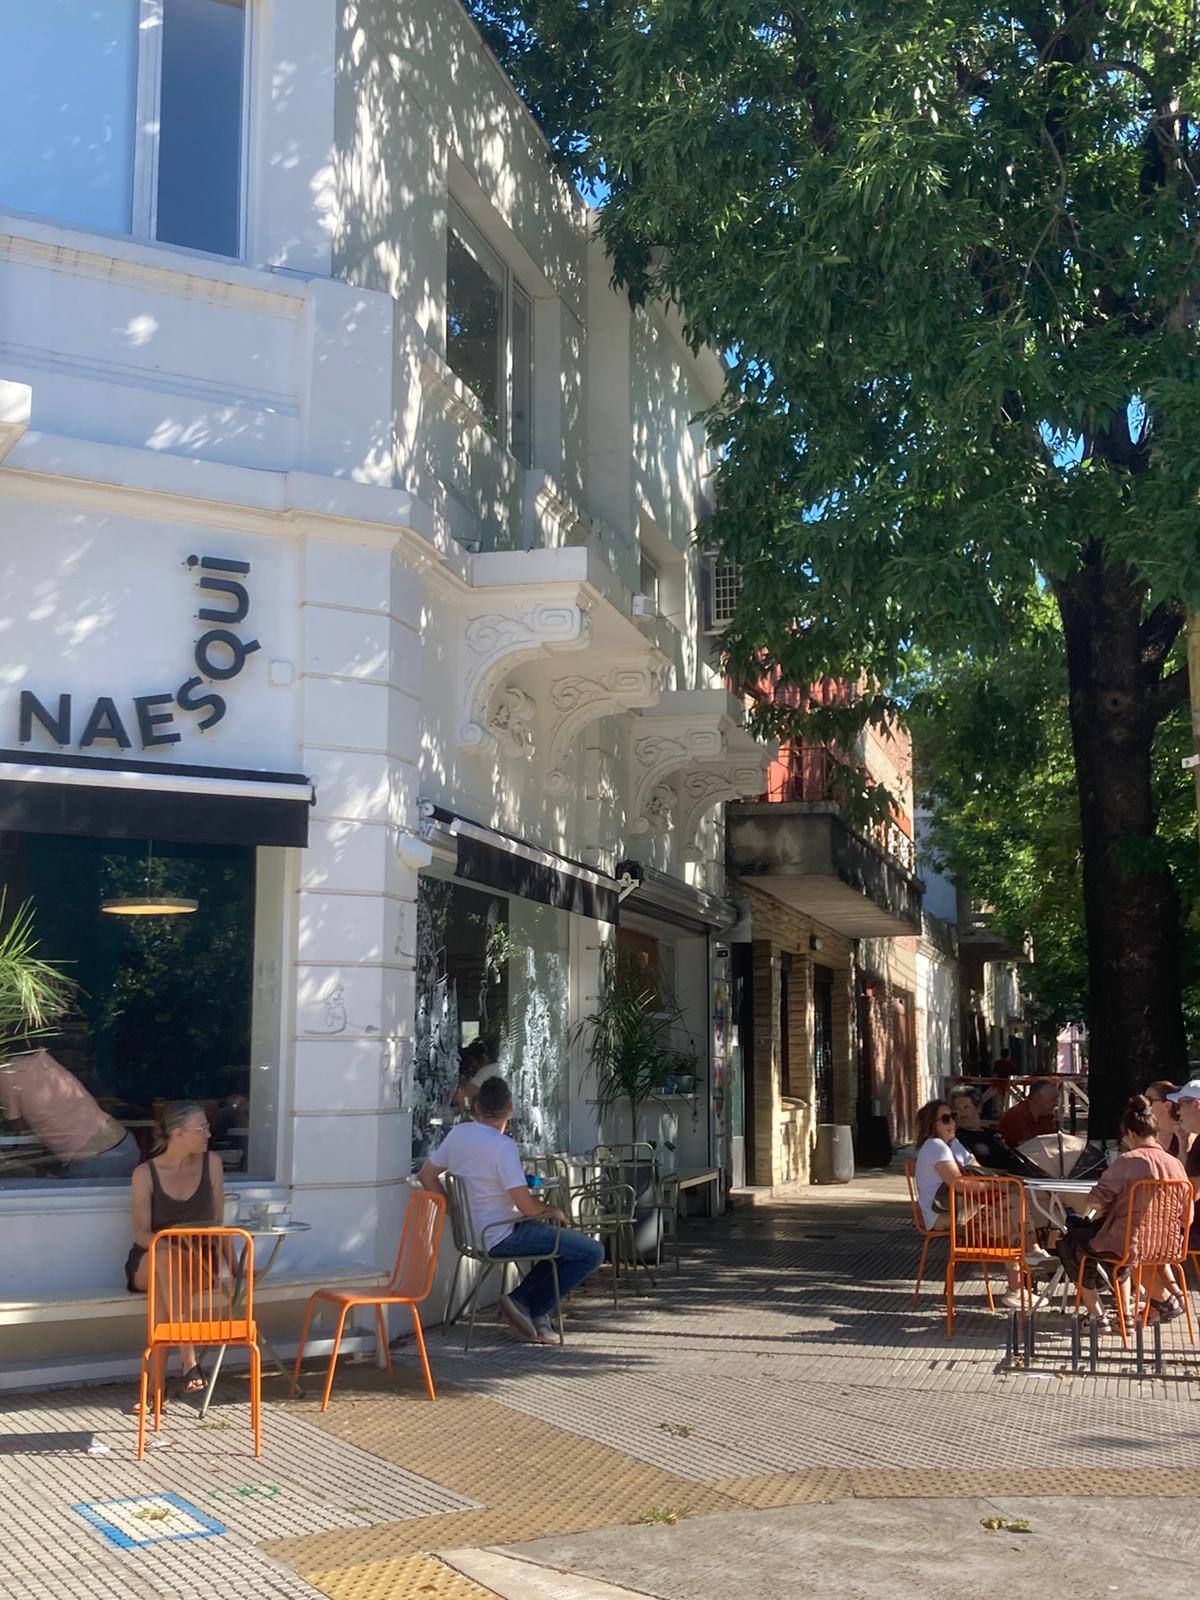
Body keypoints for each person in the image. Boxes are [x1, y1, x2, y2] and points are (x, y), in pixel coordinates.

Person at [418, 1075, 603, 1344]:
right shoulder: (502, 1146)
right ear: (510, 1109)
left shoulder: (459, 1134)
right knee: (591, 1252)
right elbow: (527, 1207)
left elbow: (426, 1175)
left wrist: (453, 1209)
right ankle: (524, 1302)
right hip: (501, 1235)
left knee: (561, 1246)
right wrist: (554, 1211)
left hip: (470, 1234)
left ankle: (532, 1310)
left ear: (477, 1107)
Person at [1059, 1094, 1189, 1333]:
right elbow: (1186, 1216)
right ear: (1155, 1132)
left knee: (1071, 1247)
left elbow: (1095, 1202)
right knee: (1120, 1252)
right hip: (1165, 1246)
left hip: (1126, 1243)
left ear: (1130, 1133)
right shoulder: (1175, 1165)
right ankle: (1128, 1315)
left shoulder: (1127, 1161)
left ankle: (1097, 1316)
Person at [126, 1101, 225, 1393]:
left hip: (199, 1259)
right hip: (152, 1256)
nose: (208, 1134)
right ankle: (188, 1360)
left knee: (164, 1283)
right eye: (201, 1128)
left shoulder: (212, 1164)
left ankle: (154, 1389)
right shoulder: (145, 1173)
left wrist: (234, 1268)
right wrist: (170, 1248)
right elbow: (141, 1233)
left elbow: (218, 1223)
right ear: (178, 1133)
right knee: (166, 1261)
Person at [913, 1100, 1049, 1310]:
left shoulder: (953, 1144)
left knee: (1013, 1204)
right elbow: (960, 1184)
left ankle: (1027, 1263)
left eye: (953, 1117)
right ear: (932, 1124)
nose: (952, 1123)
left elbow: (976, 1168)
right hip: (945, 1217)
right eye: (946, 1119)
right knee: (1010, 1215)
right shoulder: (935, 1146)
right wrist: (994, 1185)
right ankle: (1024, 1270)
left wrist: (988, 1182)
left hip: (966, 1210)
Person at [0, 1050, 138, 1178]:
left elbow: (19, 1132)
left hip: (92, 1160)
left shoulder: (7, 1073)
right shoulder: (42, 1058)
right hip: (124, 1144)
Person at [948, 1089, 1037, 1175]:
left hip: (1022, 1173)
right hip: (995, 1180)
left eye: (966, 1107)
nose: (962, 1114)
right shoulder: (957, 1137)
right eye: (957, 1109)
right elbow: (971, 1168)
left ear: (979, 1108)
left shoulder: (993, 1134)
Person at [1166, 1080, 1200, 1262]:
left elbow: (1190, 1195)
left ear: (1196, 1105)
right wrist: (1183, 1144)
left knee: (1142, 1238)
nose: (1177, 1112)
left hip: (1195, 1232)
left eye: (1180, 1105)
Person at [997, 1078, 1059, 1149]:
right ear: (1038, 1098)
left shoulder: (1046, 1115)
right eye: (1053, 1099)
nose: (1056, 1103)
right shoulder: (1017, 1116)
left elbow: (1052, 1143)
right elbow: (1028, 1149)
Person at [452, 1039, 500, 1119]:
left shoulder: (487, 1070)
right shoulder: (498, 1067)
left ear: (483, 1058)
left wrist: (461, 1084)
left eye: (472, 1064)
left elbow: (465, 1095)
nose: (471, 1069)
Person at [1145, 1079, 1189, 1159]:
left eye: (1148, 1100)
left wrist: (1183, 1145)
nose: (1144, 1104)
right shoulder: (1145, 1135)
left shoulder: (1186, 1133)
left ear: (1167, 1105)